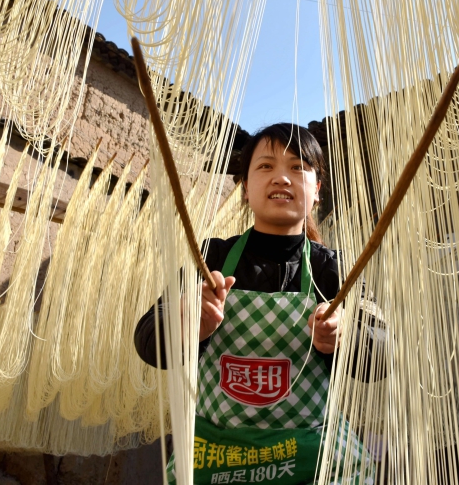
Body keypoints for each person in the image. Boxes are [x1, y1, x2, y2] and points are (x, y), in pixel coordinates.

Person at [135, 123, 378, 484]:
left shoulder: (335, 269)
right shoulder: (210, 258)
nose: (282, 178)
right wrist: (188, 323)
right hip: (219, 459)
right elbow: (147, 342)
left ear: (316, 191)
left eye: (297, 167)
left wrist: (345, 337)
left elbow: (384, 353)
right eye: (266, 166)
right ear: (245, 188)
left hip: (309, 461)